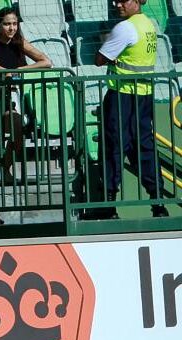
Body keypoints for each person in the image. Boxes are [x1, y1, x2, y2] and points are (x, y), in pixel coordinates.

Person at [0, 7, 51, 225]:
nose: (11, 28)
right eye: (7, 24)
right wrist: (5, 72)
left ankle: (6, 164)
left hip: (7, 99)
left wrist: (20, 70)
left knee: (18, 128)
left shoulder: (19, 43)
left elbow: (46, 61)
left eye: (15, 24)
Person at [92, 0, 167, 218]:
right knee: (144, 148)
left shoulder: (125, 27)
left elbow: (99, 59)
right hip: (144, 95)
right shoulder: (149, 25)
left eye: (123, 0)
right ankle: (158, 203)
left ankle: (108, 206)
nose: (117, 4)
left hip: (121, 95)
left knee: (113, 148)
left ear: (138, 1)